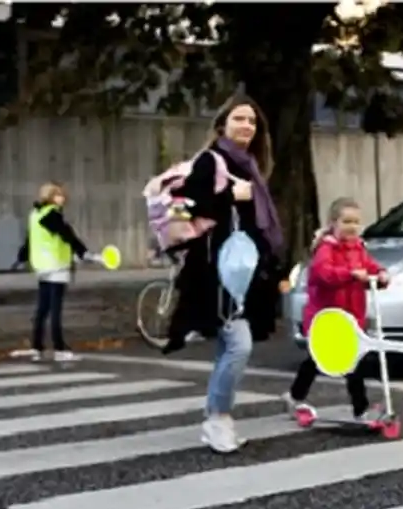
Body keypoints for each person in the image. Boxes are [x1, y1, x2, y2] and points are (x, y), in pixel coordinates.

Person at [166, 92, 285, 453]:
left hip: (240, 272)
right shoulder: (211, 161)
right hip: (215, 272)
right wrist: (234, 196)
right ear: (222, 124)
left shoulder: (249, 167)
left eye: (251, 121)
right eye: (239, 119)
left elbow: (255, 226)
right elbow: (194, 206)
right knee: (239, 344)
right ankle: (217, 418)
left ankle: (216, 418)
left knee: (228, 346)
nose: (246, 126)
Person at [282, 197, 389, 423]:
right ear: (333, 223)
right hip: (328, 316)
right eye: (346, 221)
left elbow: (369, 266)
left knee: (350, 361)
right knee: (321, 360)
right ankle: (357, 408)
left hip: (350, 316)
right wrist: (350, 274)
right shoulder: (326, 249)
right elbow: (323, 273)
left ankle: (358, 408)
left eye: (356, 222)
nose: (352, 226)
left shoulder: (358, 248)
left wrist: (381, 274)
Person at [11, 182, 94, 363]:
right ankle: (59, 348)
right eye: (58, 195)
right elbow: (67, 235)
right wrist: (84, 252)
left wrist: (21, 257)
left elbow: (30, 240)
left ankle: (37, 346)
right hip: (56, 267)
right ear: (50, 196)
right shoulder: (52, 215)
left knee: (42, 309)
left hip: (42, 268)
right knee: (55, 310)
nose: (62, 198)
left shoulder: (35, 214)